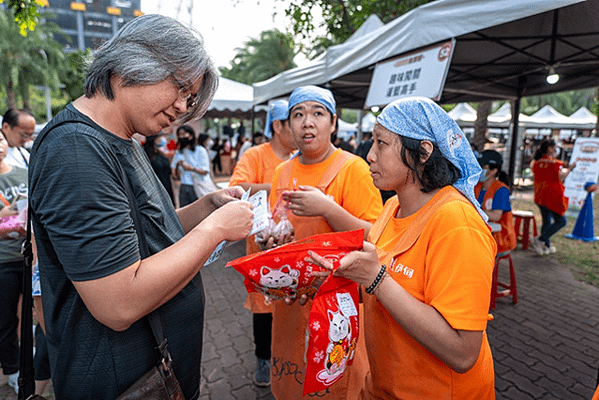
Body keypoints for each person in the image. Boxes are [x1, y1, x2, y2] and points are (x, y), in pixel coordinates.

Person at [28, 14, 254, 400]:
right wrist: (214, 230)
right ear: (131, 64)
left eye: (191, 97)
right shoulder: (77, 154)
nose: (182, 107)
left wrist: (205, 208)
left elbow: (143, 234)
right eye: (180, 87)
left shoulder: (123, 140)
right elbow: (119, 302)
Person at [307, 97, 497, 400]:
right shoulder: (394, 206)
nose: (369, 155)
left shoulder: (457, 222)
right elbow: (387, 280)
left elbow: (462, 353)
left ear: (423, 152)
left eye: (381, 143)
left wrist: (376, 280)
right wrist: (339, 281)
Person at [263, 86, 383, 399]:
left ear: (333, 122)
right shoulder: (282, 172)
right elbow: (279, 227)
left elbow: (377, 237)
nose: (307, 122)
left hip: (336, 302)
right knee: (291, 377)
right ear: (287, 125)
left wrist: (329, 209)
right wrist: (270, 242)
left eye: (317, 113)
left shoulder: (353, 168)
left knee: (336, 382)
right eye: (298, 115)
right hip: (291, 298)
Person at [228, 100, 297, 387]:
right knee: (263, 308)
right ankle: (262, 359)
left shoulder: (299, 158)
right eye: (293, 119)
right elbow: (235, 187)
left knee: (291, 306)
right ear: (278, 125)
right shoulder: (256, 155)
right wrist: (278, 186)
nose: (300, 126)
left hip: (292, 247)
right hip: (262, 250)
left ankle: (289, 359)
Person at [0, 130, 27, 394]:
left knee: (33, 313)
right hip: (3, 260)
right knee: (6, 317)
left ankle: (29, 355)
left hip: (30, 255)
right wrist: (6, 219)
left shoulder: (23, 173)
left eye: (0, 140)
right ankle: (11, 369)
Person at [530, 138, 575, 255]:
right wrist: (570, 169)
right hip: (552, 196)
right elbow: (561, 177)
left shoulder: (536, 162)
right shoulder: (555, 163)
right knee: (561, 221)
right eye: (554, 147)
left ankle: (546, 246)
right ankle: (539, 240)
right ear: (550, 148)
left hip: (539, 195)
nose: (556, 150)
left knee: (546, 222)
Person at [474, 150, 517, 255]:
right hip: (481, 235)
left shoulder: (501, 190)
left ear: (493, 171)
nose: (479, 170)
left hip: (500, 240)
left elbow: (496, 216)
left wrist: (474, 210)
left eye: (483, 167)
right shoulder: (476, 186)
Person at [171, 125, 215, 207]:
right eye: (179, 134)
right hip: (184, 186)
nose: (181, 137)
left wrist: (191, 168)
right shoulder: (179, 152)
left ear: (191, 136)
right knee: (185, 213)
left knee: (201, 212)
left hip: (199, 185)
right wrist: (178, 165)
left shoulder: (200, 150)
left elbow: (205, 171)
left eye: (184, 134)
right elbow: (175, 174)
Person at [144, 134, 175, 205]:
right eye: (158, 138)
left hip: (167, 188)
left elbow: (170, 175)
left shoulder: (161, 154)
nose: (161, 139)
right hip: (156, 192)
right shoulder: (147, 156)